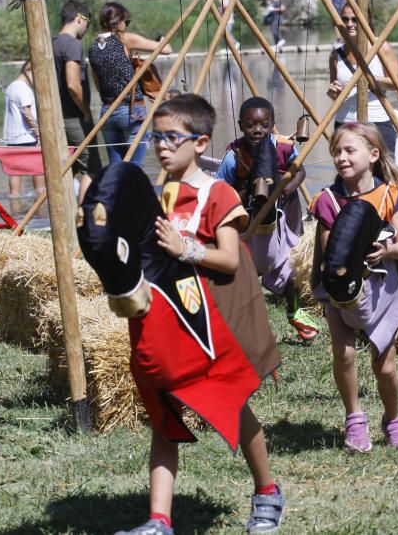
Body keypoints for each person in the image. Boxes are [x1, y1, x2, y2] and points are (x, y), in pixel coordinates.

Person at [111, 94, 285, 534]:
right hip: (167, 326)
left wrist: (184, 248)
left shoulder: (216, 192)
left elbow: (228, 259)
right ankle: (158, 521)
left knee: (235, 407)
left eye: (173, 138)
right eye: (157, 138)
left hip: (211, 327)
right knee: (163, 418)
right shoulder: (156, 196)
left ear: (201, 142)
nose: (162, 146)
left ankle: (267, 491)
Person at [310, 122, 398, 453]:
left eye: (349, 150)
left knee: (384, 365)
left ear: (373, 155)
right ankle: (354, 418)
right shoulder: (328, 200)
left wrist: (385, 249)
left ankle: (393, 418)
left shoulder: (389, 195)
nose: (341, 157)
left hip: (382, 288)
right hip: (340, 291)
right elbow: (330, 251)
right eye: (336, 152)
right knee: (343, 352)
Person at [217, 96, 321, 342]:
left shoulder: (284, 146)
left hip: (284, 216)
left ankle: (294, 310)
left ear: (272, 124)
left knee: (289, 267)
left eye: (264, 125)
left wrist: (286, 187)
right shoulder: (234, 154)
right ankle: (237, 323)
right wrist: (245, 195)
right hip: (249, 219)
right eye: (251, 125)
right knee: (244, 272)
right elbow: (221, 188)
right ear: (241, 125)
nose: (258, 131)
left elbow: (300, 170)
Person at [327, 3, 398, 167]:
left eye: (355, 19)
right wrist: (332, 92)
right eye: (345, 19)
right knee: (348, 171)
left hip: (376, 120)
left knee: (384, 171)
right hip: (345, 122)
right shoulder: (336, 55)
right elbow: (335, 93)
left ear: (366, 20)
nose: (350, 24)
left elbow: (397, 82)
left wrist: (367, 77)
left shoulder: (381, 47)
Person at [89, 2, 172, 167]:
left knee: (115, 165)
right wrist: (162, 39)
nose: (126, 26)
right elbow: (167, 49)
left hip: (107, 111)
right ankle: (133, 193)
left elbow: (98, 84)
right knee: (135, 166)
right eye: (125, 22)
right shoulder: (124, 39)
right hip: (131, 111)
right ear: (118, 22)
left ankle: (117, 193)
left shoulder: (93, 48)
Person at [53, 0, 102, 202]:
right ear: (80, 19)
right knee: (92, 169)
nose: (86, 29)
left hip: (57, 117)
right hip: (74, 117)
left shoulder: (52, 42)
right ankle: (86, 216)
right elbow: (73, 85)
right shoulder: (72, 44)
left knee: (68, 169)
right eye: (88, 24)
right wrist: (86, 111)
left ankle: (67, 215)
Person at [3, 61, 46, 201]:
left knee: (14, 172)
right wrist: (38, 133)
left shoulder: (11, 86)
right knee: (38, 170)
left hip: (12, 137)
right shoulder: (22, 88)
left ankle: (15, 207)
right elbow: (27, 112)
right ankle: (41, 206)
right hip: (27, 137)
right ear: (29, 71)